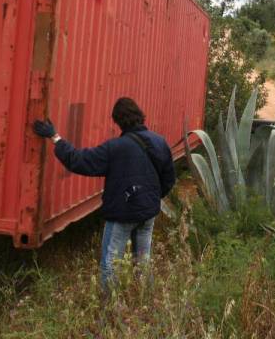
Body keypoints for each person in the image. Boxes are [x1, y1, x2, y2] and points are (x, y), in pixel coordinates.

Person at [32, 97, 175, 290]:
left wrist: (55, 137)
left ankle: (110, 304)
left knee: (111, 265)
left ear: (118, 121)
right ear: (139, 115)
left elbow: (79, 161)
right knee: (143, 262)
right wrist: (150, 199)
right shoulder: (160, 142)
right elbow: (169, 179)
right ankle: (145, 299)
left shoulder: (115, 148)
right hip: (148, 214)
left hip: (121, 215)